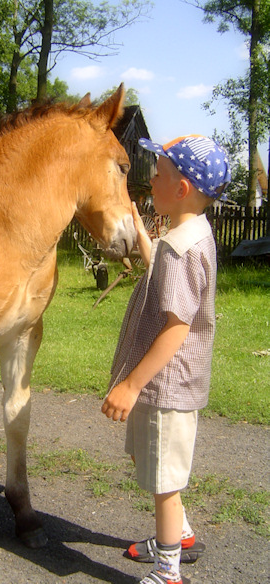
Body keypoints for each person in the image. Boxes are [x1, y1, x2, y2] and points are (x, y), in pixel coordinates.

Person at [101, 135, 231, 584]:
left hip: (165, 385)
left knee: (165, 484)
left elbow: (176, 327)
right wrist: (140, 233)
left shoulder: (181, 249)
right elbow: (160, 265)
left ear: (182, 189)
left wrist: (131, 384)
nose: (148, 180)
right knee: (153, 462)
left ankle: (168, 570)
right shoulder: (186, 237)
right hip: (164, 383)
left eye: (157, 174)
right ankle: (182, 536)